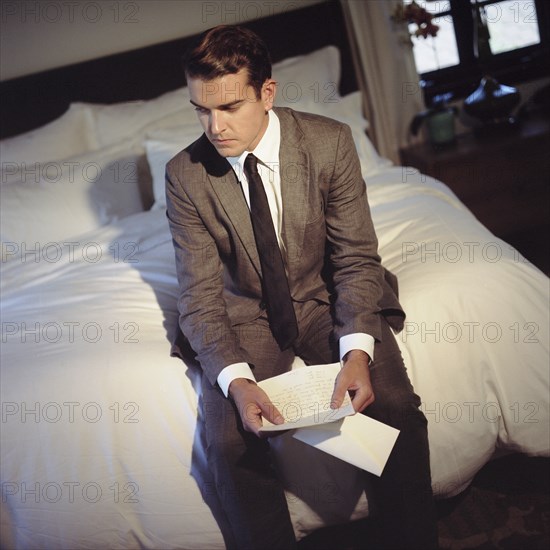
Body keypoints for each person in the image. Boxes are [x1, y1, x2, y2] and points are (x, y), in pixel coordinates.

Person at [166, 24, 438, 550]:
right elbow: (198, 297)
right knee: (227, 444)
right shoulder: (185, 174)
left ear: (267, 93)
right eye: (201, 109)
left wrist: (357, 351)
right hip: (243, 313)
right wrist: (238, 382)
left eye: (229, 107)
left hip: (324, 295)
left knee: (397, 408)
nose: (214, 126)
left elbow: (356, 258)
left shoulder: (329, 142)